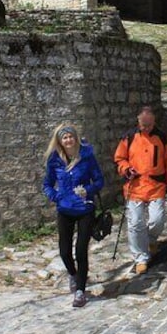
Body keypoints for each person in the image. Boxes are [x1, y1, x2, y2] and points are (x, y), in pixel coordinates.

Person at [42, 123, 105, 308]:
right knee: (64, 252)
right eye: (65, 137)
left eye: (71, 136)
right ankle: (73, 274)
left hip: (85, 209)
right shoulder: (55, 160)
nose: (68, 140)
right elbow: (47, 184)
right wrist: (56, 197)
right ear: (60, 141)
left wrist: (88, 190)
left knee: (80, 250)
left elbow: (99, 180)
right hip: (65, 209)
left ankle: (80, 291)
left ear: (76, 138)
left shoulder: (87, 156)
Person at [114, 106, 167, 274]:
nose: (146, 128)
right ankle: (141, 257)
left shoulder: (163, 139)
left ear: (154, 122)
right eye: (143, 125)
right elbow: (119, 159)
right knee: (135, 222)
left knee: (158, 220)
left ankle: (150, 240)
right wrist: (126, 169)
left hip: (156, 187)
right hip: (134, 188)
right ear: (138, 121)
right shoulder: (128, 137)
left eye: (149, 125)